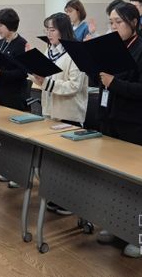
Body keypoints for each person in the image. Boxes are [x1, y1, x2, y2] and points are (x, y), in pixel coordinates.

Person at [96, 2, 142, 258]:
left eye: (118, 22)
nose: (113, 27)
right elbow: (103, 82)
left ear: (133, 22)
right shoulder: (113, 49)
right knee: (116, 182)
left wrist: (114, 83)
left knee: (137, 186)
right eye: (111, 22)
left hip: (137, 127)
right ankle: (118, 227)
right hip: (112, 122)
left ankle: (141, 236)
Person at [31, 13, 88, 216]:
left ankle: (70, 202)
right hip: (50, 111)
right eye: (47, 29)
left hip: (69, 112)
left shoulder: (76, 53)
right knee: (54, 161)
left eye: (52, 30)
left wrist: (46, 82)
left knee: (68, 164)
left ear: (63, 31)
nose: (49, 33)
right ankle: (56, 196)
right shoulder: (49, 51)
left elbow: (74, 85)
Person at [0, 8, 28, 111]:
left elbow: (22, 73)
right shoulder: (0, 43)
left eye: (0, 25)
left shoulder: (21, 44)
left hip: (15, 95)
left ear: (10, 25)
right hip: (1, 92)